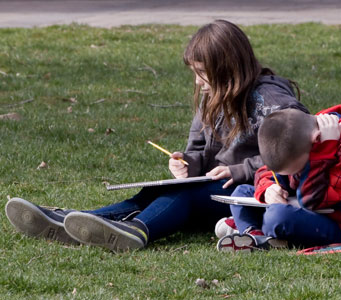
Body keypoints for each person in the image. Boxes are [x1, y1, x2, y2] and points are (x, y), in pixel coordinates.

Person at [5, 20, 308, 252]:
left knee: (184, 195)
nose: (198, 81)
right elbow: (200, 151)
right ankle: (78, 220)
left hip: (249, 194)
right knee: (151, 192)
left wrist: (240, 169)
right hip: (213, 186)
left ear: (226, 69)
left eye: (203, 73)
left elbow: (301, 144)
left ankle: (138, 231)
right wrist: (187, 163)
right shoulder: (212, 97)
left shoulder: (267, 98)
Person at [216, 105, 341, 252]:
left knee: (277, 216)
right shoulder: (301, 136)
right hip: (309, 206)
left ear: (317, 141)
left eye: (297, 170)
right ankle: (255, 236)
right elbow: (267, 170)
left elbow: (312, 201)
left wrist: (324, 151)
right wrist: (269, 188)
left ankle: (251, 230)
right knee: (242, 192)